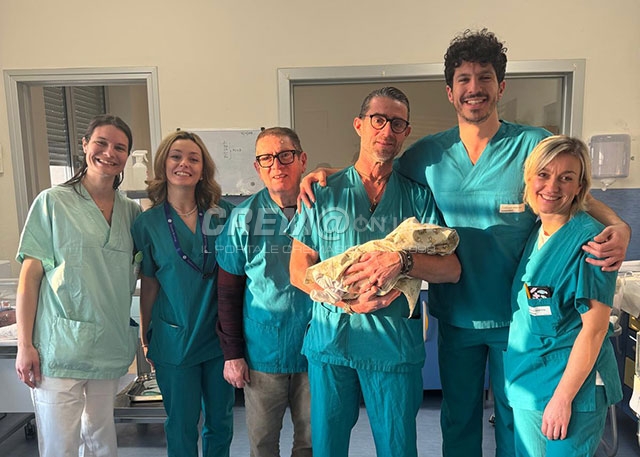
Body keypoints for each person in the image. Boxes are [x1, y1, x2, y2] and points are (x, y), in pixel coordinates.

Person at [298, 29, 630, 457]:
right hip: (457, 316)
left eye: (485, 77)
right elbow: (375, 164)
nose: (475, 88)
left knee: (517, 422)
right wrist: (325, 172)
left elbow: (568, 187)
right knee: (458, 421)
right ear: (450, 93)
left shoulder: (531, 144)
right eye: (464, 79)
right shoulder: (427, 156)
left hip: (518, 319)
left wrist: (619, 225)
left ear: (501, 87)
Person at [287, 86, 462, 457]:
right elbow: (298, 270)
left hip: (392, 346)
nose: (387, 130)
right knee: (327, 447)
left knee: (398, 447)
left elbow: (451, 268)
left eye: (397, 123)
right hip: (332, 341)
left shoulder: (417, 197)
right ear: (359, 125)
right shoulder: (322, 192)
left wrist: (402, 261)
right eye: (378, 120)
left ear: (406, 132)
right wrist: (344, 302)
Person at [15, 114, 142, 457]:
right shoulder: (52, 202)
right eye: (101, 143)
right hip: (59, 348)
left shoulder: (131, 213)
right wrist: (24, 345)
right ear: (85, 145)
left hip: (107, 345)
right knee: (61, 446)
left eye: (119, 147)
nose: (109, 153)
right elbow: (29, 277)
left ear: (127, 156)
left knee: (102, 440)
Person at [504, 135, 622, 456]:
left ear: (579, 187)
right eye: (543, 174)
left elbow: (594, 329)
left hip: (571, 390)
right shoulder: (538, 232)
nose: (552, 186)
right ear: (529, 178)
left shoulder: (593, 244)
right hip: (531, 378)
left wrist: (562, 399)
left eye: (566, 178)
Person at [131, 131, 234, 457]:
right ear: (164, 164)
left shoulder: (224, 215)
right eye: (176, 156)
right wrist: (146, 336)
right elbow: (150, 282)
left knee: (221, 422)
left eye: (193, 158)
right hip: (174, 338)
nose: (184, 164)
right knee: (181, 424)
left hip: (219, 338)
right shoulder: (147, 224)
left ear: (203, 170)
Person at [215, 127, 313, 457]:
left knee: (312, 442)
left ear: (302, 160)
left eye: (285, 155)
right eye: (266, 158)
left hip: (316, 347)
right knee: (262, 443)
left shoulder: (323, 210)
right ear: (258, 168)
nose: (277, 165)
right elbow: (228, 292)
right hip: (263, 351)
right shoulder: (244, 218)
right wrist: (232, 354)